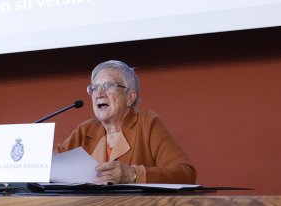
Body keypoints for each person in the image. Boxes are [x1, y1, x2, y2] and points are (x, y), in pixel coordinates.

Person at [56, 60, 196, 184]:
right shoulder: (86, 130)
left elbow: (185, 173)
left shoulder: (146, 123)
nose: (99, 94)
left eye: (109, 86)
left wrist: (133, 174)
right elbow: (50, 167)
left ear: (130, 97)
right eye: (94, 88)